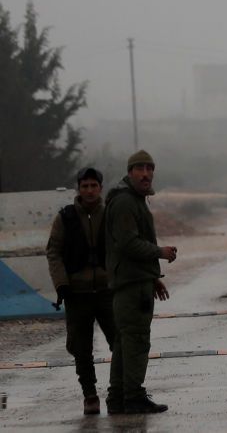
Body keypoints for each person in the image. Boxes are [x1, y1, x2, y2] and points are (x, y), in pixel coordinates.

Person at [105, 150, 177, 414]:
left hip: (136, 282)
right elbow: (128, 243)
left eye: (149, 168)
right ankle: (133, 397)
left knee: (125, 343)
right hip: (130, 287)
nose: (146, 174)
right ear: (130, 172)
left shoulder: (134, 200)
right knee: (136, 341)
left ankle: (117, 398)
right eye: (140, 169)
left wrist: (153, 278)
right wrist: (160, 252)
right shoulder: (125, 202)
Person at [45, 167, 122, 416]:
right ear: (79, 188)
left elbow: (124, 246)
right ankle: (89, 394)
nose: (89, 190)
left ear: (100, 188)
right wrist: (61, 284)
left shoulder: (111, 214)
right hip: (76, 293)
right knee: (81, 347)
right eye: (85, 186)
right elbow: (54, 251)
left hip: (107, 291)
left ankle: (117, 390)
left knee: (119, 342)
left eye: (93, 185)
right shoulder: (65, 217)